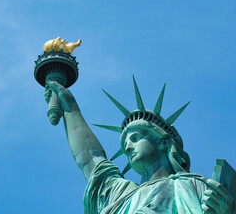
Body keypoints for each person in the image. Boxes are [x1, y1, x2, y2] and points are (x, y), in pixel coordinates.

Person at [45, 78, 235, 214]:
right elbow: (91, 158)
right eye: (125, 142)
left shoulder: (195, 185)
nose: (127, 147)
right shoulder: (120, 195)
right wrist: (69, 106)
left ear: (162, 141)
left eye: (135, 138)